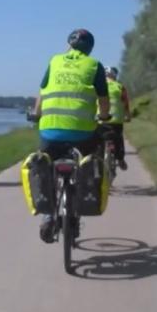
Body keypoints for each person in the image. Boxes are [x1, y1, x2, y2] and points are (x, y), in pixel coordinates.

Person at [32, 28, 111, 242]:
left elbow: (42, 93)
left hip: (50, 130)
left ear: (69, 44)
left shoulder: (55, 61)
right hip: (83, 133)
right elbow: (103, 100)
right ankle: (79, 204)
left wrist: (36, 113)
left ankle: (48, 216)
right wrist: (103, 116)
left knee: (46, 164)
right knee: (88, 161)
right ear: (90, 48)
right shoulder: (94, 65)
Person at [103, 66, 132, 170]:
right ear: (114, 76)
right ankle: (120, 159)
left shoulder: (99, 86)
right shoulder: (120, 87)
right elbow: (125, 104)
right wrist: (128, 117)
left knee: (99, 141)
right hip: (116, 121)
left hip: (101, 120)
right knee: (118, 138)